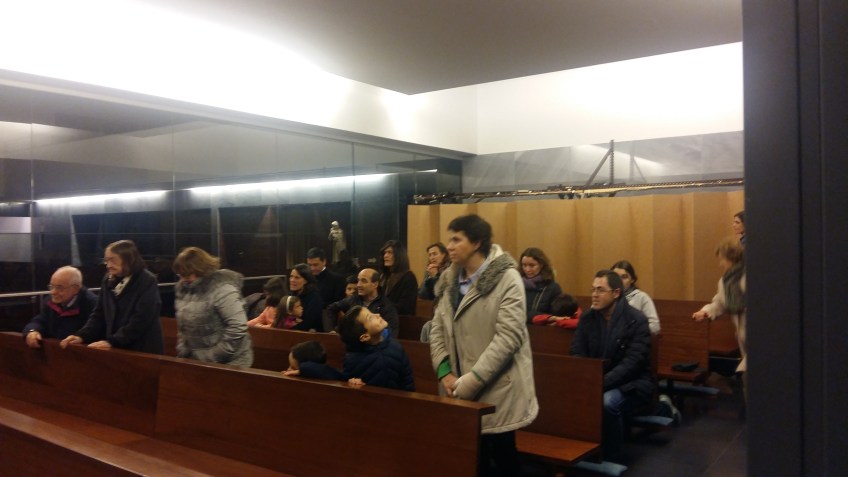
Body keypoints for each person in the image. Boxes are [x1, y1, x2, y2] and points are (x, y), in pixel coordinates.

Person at [429, 214, 537, 476]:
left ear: (477, 242)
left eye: (457, 240)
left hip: (498, 388)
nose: (449, 246)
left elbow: (508, 338)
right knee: (471, 459)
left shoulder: (507, 278)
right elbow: (437, 329)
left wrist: (471, 380)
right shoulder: (449, 279)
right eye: (449, 240)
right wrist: (444, 371)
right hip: (456, 384)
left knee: (503, 456)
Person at [570, 269, 653, 464]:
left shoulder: (636, 320)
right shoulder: (588, 318)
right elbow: (576, 352)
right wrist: (586, 379)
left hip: (631, 384)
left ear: (616, 293)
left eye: (600, 290)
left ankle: (611, 455)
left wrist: (599, 383)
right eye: (593, 289)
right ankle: (579, 448)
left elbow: (632, 364)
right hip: (596, 380)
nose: (594, 295)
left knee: (607, 402)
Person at [61, 240, 164, 354]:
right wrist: (82, 336)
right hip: (117, 347)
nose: (108, 265)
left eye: (112, 260)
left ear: (128, 259)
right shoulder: (108, 279)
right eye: (106, 260)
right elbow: (99, 314)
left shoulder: (147, 280)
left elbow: (142, 318)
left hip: (142, 348)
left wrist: (114, 341)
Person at [293, 305, 415, 391]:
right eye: (370, 317)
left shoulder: (396, 347)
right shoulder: (354, 359)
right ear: (365, 336)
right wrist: (352, 383)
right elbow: (341, 378)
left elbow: (408, 382)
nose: (377, 315)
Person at [171, 247, 253, 367]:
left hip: (230, 362)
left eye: (187, 275)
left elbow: (238, 326)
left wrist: (212, 355)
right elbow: (183, 327)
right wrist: (183, 350)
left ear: (200, 270)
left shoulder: (223, 289)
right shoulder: (184, 289)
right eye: (181, 275)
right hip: (197, 360)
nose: (183, 279)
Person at [693, 237, 747, 399]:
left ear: (731, 257)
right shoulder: (726, 281)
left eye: (722, 259)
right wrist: (706, 312)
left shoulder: (749, 276)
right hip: (743, 336)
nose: (720, 264)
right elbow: (719, 302)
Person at [22, 266, 98, 348]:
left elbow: (95, 333)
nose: (53, 292)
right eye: (51, 286)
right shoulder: (50, 301)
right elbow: (40, 321)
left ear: (75, 289)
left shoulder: (93, 304)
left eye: (59, 288)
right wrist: (33, 331)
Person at [324, 268, 400, 338]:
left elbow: (391, 334)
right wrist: (330, 330)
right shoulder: (353, 299)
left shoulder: (386, 306)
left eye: (364, 281)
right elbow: (331, 308)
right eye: (358, 280)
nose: (358, 285)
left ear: (375, 284)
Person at [611, 260, 661, 334]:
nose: (619, 281)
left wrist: (631, 332)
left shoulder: (642, 297)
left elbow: (655, 326)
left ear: (632, 280)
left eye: (624, 277)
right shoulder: (606, 297)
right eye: (616, 277)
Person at [519, 247, 564, 323]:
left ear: (541, 265)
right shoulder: (517, 285)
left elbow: (555, 316)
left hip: (542, 328)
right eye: (524, 265)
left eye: (532, 265)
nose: (527, 269)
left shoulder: (553, 288)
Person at [378, 240, 418, 316]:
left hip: (401, 319)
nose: (385, 256)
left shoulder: (409, 278)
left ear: (399, 255)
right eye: (385, 253)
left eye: (390, 252)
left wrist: (381, 306)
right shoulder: (383, 276)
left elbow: (406, 307)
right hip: (383, 316)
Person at [287, 263, 324, 331]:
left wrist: (287, 330)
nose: (292, 280)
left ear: (306, 281)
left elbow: (308, 323)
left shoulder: (314, 297)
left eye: (297, 277)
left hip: (312, 334)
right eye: (291, 276)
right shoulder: (291, 295)